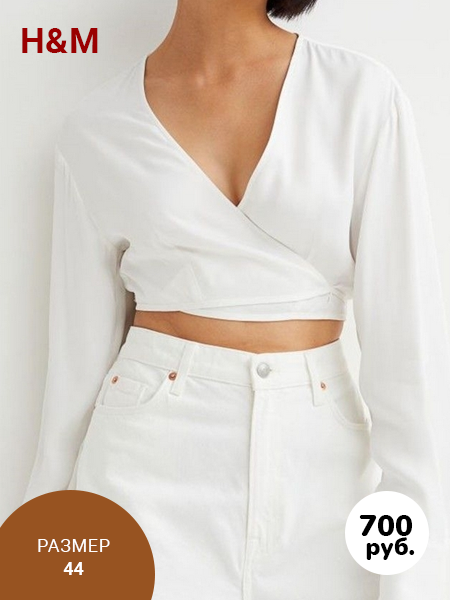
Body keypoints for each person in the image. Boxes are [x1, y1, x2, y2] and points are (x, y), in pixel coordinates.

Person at [22, 0, 450, 598]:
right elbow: (74, 367)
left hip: (321, 474)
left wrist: (416, 573)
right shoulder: (97, 126)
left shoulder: (360, 94)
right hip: (145, 459)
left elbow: (409, 354)